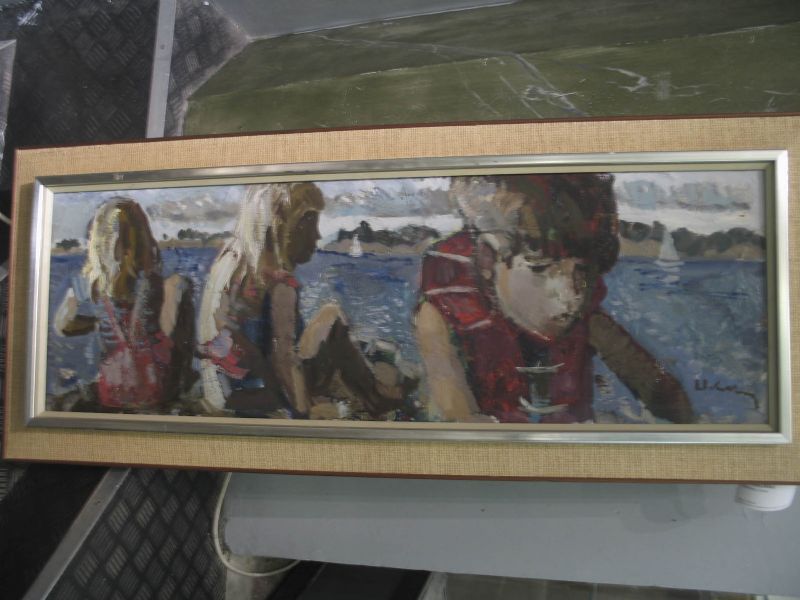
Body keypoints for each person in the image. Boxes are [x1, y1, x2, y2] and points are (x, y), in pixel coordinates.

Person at [415, 174, 694, 424]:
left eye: (582, 271)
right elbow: (457, 416)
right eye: (540, 268)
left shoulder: (587, 316)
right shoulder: (443, 311)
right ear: (489, 262)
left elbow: (660, 390)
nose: (570, 297)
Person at [197, 183, 412, 419]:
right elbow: (284, 359)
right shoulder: (278, 283)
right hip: (256, 396)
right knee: (331, 317)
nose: (318, 236)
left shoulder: (229, 260)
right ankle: (375, 396)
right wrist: (304, 411)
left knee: (326, 317)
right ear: (290, 228)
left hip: (220, 391)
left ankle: (371, 391)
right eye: (312, 225)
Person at [53, 197, 195, 412]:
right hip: (158, 390)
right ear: (143, 236)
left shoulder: (89, 284)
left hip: (112, 390)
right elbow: (170, 336)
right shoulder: (162, 284)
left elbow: (62, 325)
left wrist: (98, 322)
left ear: (99, 239)